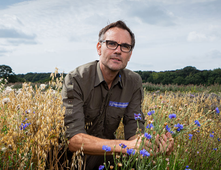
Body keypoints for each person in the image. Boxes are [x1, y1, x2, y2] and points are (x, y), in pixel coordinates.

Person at [61, 20, 174, 169]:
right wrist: (126, 146)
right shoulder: (77, 79)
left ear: (130, 54)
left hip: (108, 160)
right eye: (111, 44)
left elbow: (134, 128)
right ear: (99, 48)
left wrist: (151, 144)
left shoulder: (133, 82)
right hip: (71, 162)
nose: (118, 51)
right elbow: (73, 140)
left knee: (148, 163)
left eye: (125, 46)